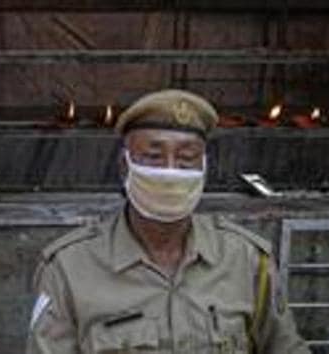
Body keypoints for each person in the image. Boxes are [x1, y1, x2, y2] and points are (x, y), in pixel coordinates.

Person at [26, 89, 311, 354]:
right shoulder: (68, 268)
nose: (171, 172)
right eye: (154, 157)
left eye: (186, 159)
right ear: (125, 166)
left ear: (204, 168)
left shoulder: (247, 261)